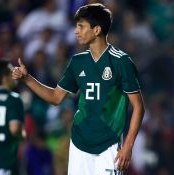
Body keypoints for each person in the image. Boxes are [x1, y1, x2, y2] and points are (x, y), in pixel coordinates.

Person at [12, 3, 145, 175]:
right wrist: (27, 79)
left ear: (97, 30)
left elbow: (138, 107)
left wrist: (128, 146)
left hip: (109, 144)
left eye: (81, 26)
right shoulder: (77, 62)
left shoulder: (121, 62)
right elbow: (55, 97)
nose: (76, 31)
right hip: (79, 143)